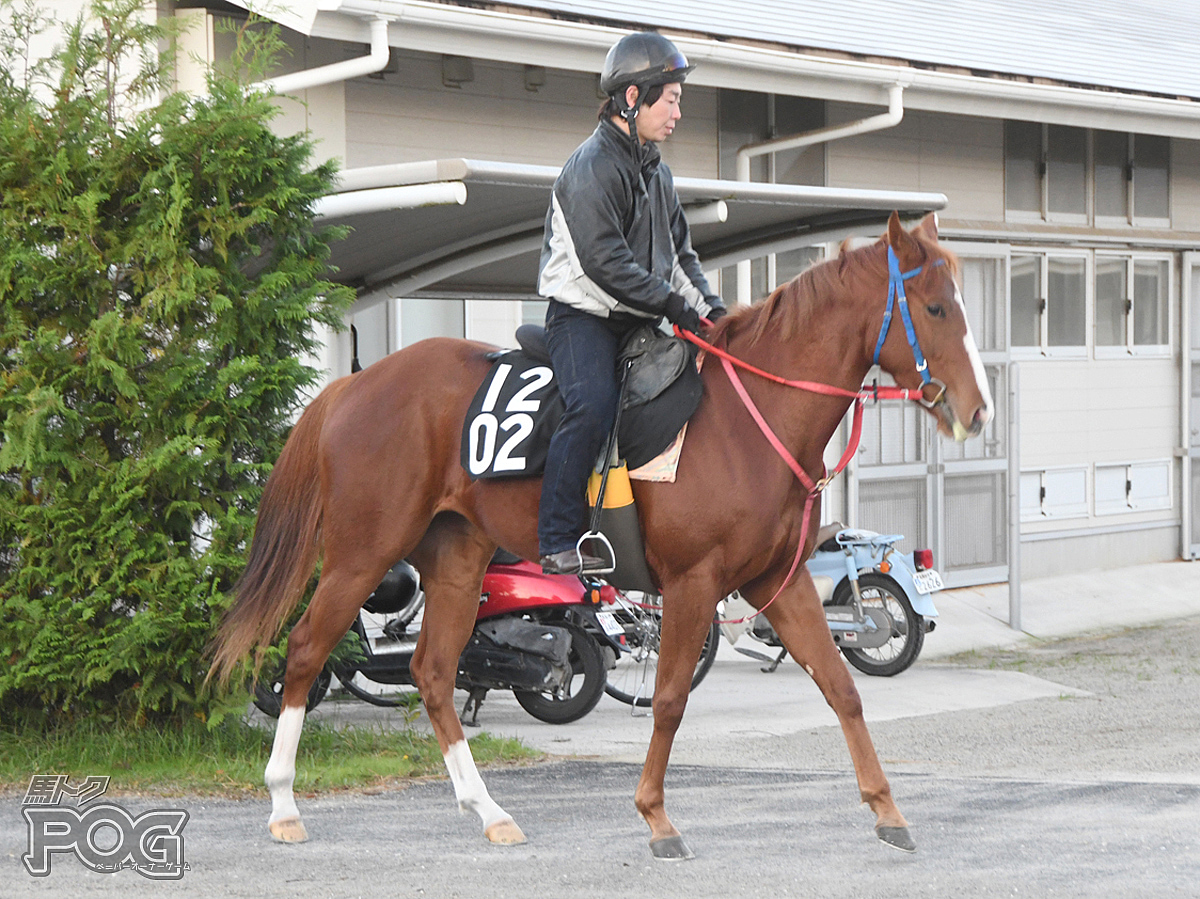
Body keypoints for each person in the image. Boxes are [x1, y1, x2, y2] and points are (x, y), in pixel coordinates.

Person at [536, 31, 727, 575]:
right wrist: (673, 305)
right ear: (631, 99)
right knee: (593, 404)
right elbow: (607, 264)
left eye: (679, 101)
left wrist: (714, 314)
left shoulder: (657, 173)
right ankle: (555, 538)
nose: (677, 113)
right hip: (583, 321)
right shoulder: (591, 166)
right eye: (670, 99)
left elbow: (681, 259)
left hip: (639, 317)